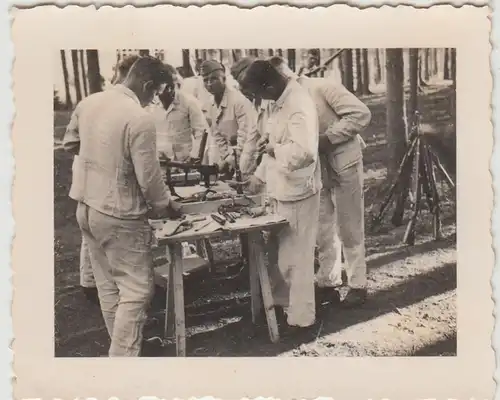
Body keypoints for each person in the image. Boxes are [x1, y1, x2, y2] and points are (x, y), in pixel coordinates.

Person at [63, 56, 182, 357]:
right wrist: (165, 205)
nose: (154, 99)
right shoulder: (138, 118)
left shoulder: (89, 102)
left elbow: (71, 144)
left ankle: (126, 348)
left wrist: (103, 157)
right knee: (138, 289)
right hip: (118, 212)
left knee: (108, 285)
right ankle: (123, 360)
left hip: (86, 205)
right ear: (146, 85)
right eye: (154, 93)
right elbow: (150, 179)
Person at [270, 56, 372, 307]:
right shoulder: (285, 102)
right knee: (324, 226)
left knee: (350, 224)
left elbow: (361, 114)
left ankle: (358, 284)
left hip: (344, 160)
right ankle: (329, 281)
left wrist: (328, 138)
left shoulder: (322, 87)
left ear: (288, 74)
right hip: (317, 169)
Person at [237, 59, 322, 330]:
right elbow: (273, 145)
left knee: (297, 261)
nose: (258, 100)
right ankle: (282, 307)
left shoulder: (298, 105)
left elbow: (305, 152)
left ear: (270, 84)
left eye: (257, 94)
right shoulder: (278, 101)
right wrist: (258, 177)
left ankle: (302, 320)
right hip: (281, 191)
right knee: (280, 258)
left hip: (299, 192)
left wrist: (274, 150)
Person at [77, 54, 141, 304]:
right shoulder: (126, 107)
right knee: (126, 274)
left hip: (88, 188)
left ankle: (91, 284)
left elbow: (71, 142)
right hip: (109, 193)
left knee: (102, 270)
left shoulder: (89, 102)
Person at [200, 60, 259, 178]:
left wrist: (229, 160)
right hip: (231, 159)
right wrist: (227, 158)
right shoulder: (209, 105)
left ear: (224, 79)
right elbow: (217, 135)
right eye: (205, 80)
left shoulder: (239, 101)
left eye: (214, 79)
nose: (209, 84)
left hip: (248, 157)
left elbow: (245, 135)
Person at [147, 63, 208, 163]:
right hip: (160, 161)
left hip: (185, 162)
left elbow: (200, 132)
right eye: (165, 87)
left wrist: (194, 156)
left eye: (172, 86)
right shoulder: (150, 104)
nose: (170, 90)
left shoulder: (189, 102)